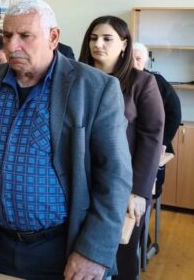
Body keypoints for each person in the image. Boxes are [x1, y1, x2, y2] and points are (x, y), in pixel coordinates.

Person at [0, 0, 133, 280]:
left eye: (25, 36)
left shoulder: (95, 89)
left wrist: (93, 251)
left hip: (59, 249)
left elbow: (114, 176)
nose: (13, 46)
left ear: (53, 37)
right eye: (7, 36)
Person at [79, 17, 164, 280]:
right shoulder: (77, 77)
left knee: (120, 258)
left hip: (123, 186)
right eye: (93, 38)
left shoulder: (141, 82)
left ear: (124, 44)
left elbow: (151, 137)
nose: (98, 45)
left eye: (107, 39)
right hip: (81, 180)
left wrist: (138, 190)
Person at [133, 42, 182, 197]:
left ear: (145, 61)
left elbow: (175, 113)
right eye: (130, 58)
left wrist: (164, 141)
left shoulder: (156, 80)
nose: (134, 63)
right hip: (131, 143)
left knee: (151, 189)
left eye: (138, 59)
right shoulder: (119, 79)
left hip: (155, 141)